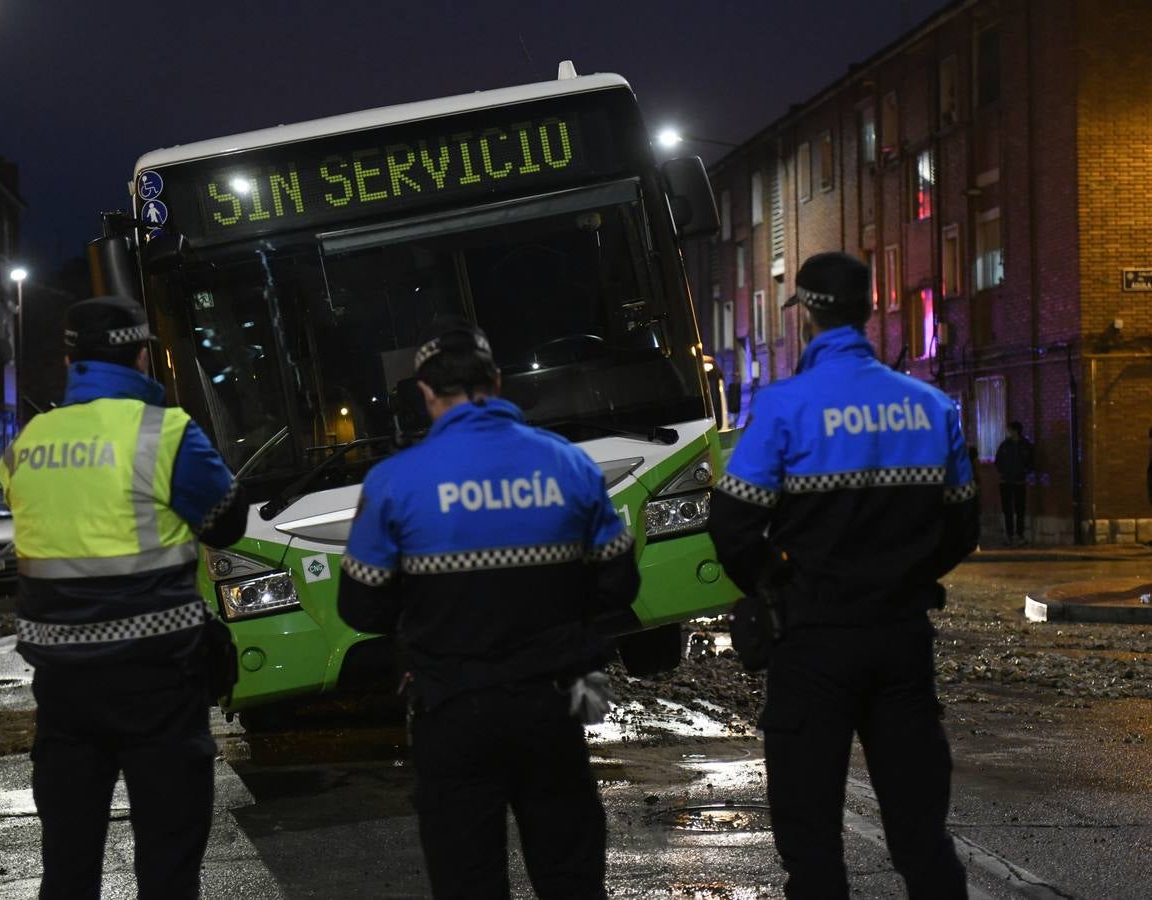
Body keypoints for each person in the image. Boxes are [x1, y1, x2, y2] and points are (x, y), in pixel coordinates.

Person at [338, 317, 640, 900]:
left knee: (467, 878)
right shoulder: (569, 465)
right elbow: (618, 582)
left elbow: (360, 606)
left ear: (426, 395)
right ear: (497, 382)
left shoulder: (393, 482)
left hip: (451, 711)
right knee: (570, 873)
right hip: (554, 707)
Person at [707, 252, 978, 898]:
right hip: (901, 641)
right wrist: (904, 575)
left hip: (812, 644)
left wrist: (776, 579)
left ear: (806, 317)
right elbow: (962, 528)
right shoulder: (933, 408)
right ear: (865, 312)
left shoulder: (783, 408)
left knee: (813, 847)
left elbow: (732, 524)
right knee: (921, 838)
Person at [0, 295, 248, 899]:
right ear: (141, 356)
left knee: (69, 866)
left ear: (69, 358)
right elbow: (227, 522)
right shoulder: (164, 433)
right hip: (157, 683)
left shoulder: (28, 443)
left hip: (63, 692)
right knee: (167, 860)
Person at [994, 421, 1035, 546]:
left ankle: (1019, 535)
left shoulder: (1026, 445)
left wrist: (1025, 471)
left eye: (1009, 430)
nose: (1008, 432)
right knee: (1007, 510)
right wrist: (1003, 472)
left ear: (1015, 431)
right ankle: (1009, 535)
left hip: (1019, 482)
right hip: (1005, 482)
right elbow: (998, 461)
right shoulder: (1005, 445)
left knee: (1020, 509)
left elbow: (1031, 462)